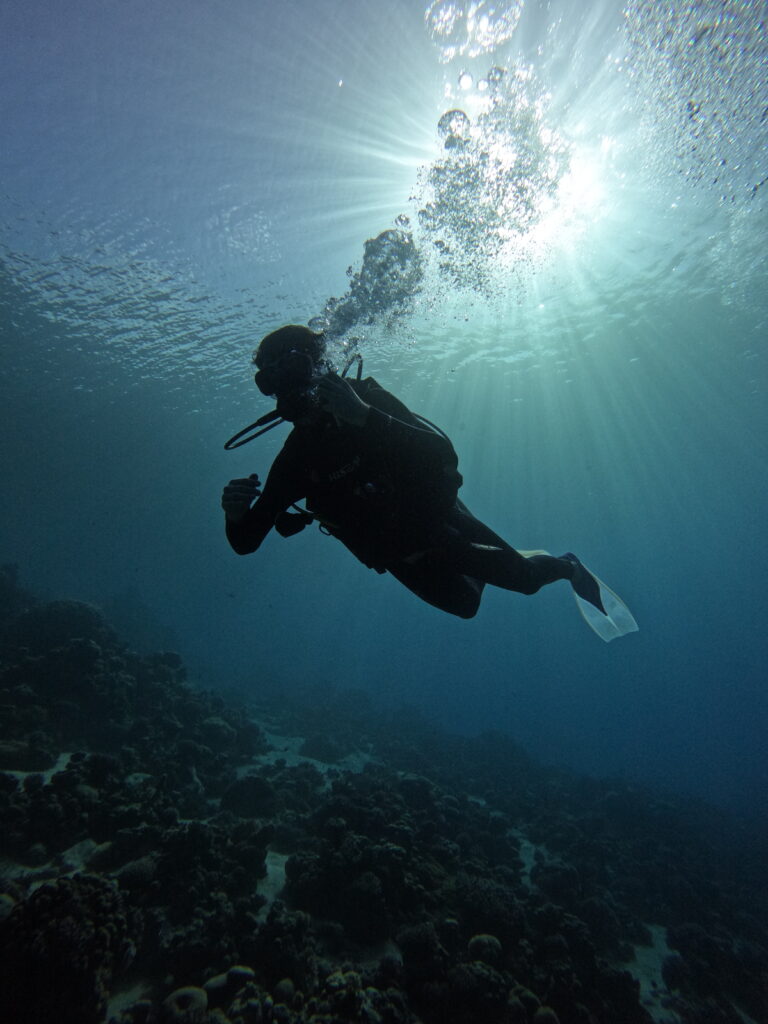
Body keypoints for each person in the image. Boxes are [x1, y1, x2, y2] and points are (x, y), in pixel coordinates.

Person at [222, 325, 637, 639]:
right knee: (466, 606)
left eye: (290, 367)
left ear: (317, 365)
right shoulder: (298, 457)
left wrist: (365, 417)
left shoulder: (368, 401)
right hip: (395, 552)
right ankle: (507, 556)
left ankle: (567, 566)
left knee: (527, 582)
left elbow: (442, 456)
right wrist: (235, 515)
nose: (284, 389)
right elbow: (247, 541)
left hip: (440, 523)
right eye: (268, 380)